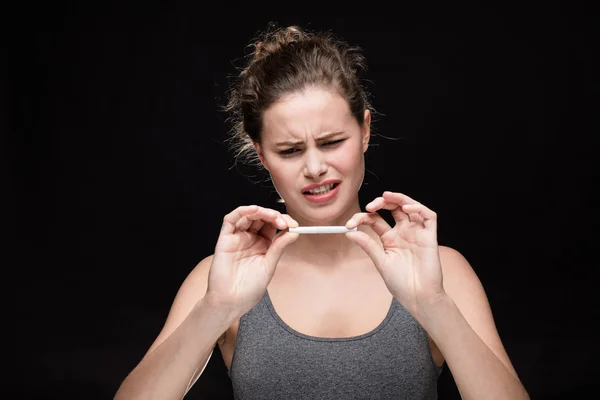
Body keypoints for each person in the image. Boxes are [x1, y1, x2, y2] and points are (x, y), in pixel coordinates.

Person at [114, 24, 530, 400]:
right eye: (290, 150)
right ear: (261, 155)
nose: (314, 168)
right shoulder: (220, 279)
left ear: (364, 131)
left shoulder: (441, 271)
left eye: (332, 142)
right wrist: (217, 308)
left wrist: (433, 304)